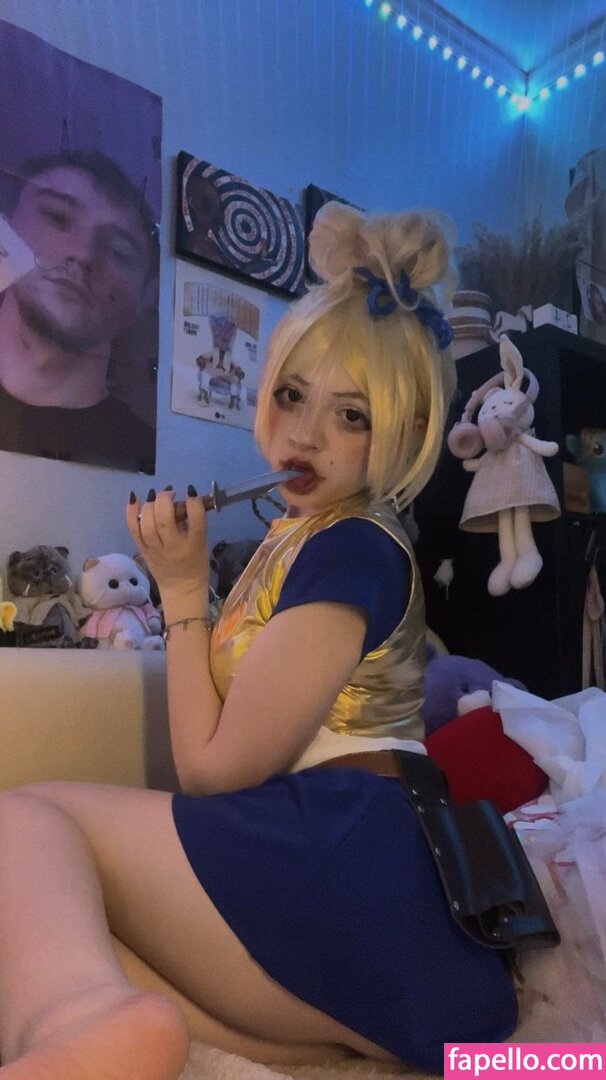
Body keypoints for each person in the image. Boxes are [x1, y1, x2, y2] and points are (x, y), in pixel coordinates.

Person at [0, 202, 518, 1080]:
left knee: (20, 822)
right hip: (363, 906)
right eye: (290, 395)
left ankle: (87, 1017)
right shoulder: (302, 537)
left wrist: (180, 591)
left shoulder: (351, 545)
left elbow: (214, 772)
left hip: (348, 862)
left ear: (402, 433)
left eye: (352, 416)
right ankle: (132, 1027)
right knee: (60, 925)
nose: (305, 433)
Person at [0, 149, 158, 472]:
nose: (84, 254)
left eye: (119, 251)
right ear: (6, 228)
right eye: (58, 217)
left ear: (146, 296)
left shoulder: (140, 450)